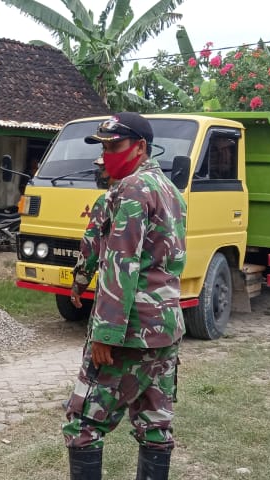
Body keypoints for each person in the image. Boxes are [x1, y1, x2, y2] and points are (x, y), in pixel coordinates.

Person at [62, 113, 187, 480]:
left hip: (129, 332)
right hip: (165, 329)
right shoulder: (169, 191)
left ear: (141, 147)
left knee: (83, 425)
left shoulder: (132, 189)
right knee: (155, 424)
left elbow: (122, 262)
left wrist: (105, 333)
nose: (107, 155)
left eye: (115, 146)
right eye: (104, 147)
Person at [69, 156, 112, 308]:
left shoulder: (107, 201)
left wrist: (78, 285)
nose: (100, 175)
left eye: (103, 169)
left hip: (118, 289)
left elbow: (92, 248)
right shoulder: (167, 191)